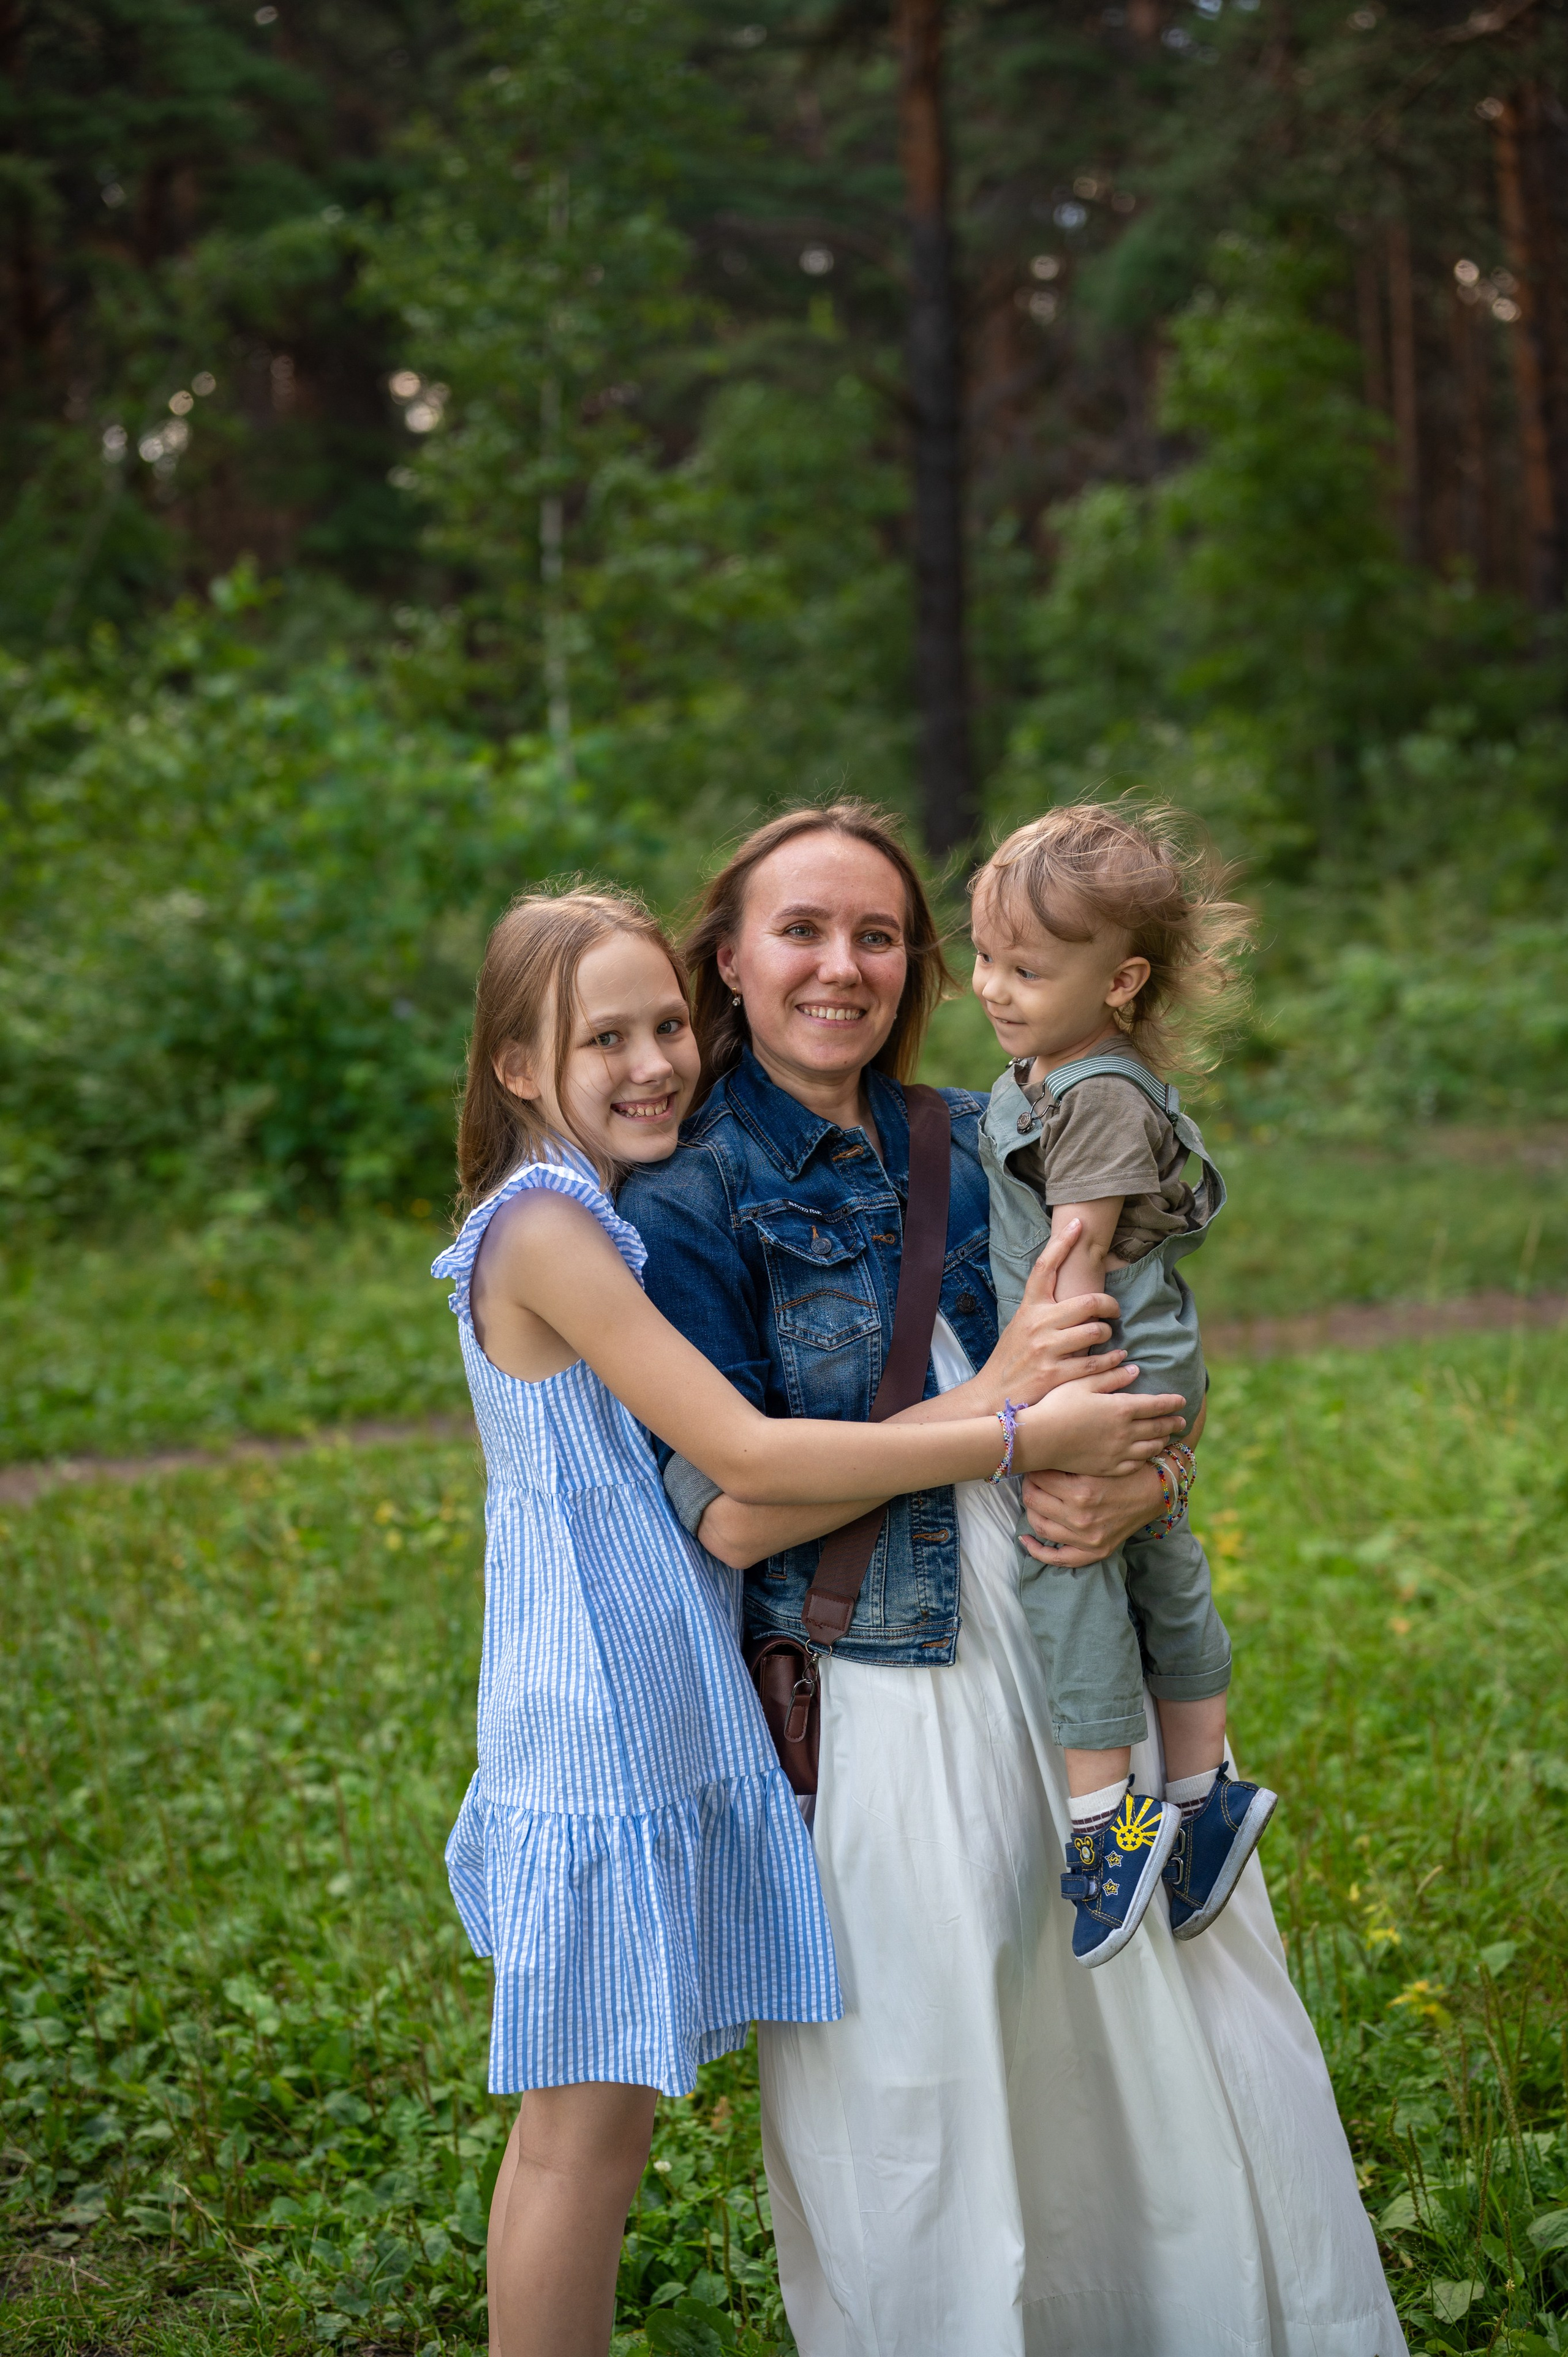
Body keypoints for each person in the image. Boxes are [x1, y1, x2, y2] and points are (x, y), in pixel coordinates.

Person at [624, 805, 1407, 2357]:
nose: (842, 965)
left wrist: (1142, 1471)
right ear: (727, 957)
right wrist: (1004, 1427)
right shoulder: (686, 1197)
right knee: (927, 2074)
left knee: (1155, 2047)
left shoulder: (989, 1122)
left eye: (877, 934)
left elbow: (1134, 1331)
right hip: (884, 1671)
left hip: (1069, 1637)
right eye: (801, 930)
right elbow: (726, 1516)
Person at [431, 885, 1188, 2357]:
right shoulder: (542, 1231)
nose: (653, 1060)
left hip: (653, 1685)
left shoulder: (588, 1209)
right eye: (603, 1038)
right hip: (594, 1712)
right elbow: (752, 1464)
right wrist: (1010, 1423)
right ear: (519, 1069)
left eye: (663, 1024)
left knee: (606, 2127)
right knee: (575, 2135)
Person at [970, 802, 1277, 1968]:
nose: (994, 988)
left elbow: (1076, 1249)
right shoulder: (1066, 1069)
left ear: (1121, 981)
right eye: (987, 959)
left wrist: (1046, 1397)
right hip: (1141, 1345)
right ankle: (1206, 1791)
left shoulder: (1093, 1091)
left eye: (1029, 969)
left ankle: (1114, 1821)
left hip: (1095, 1346)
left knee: (1066, 1564)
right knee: (1159, 1557)